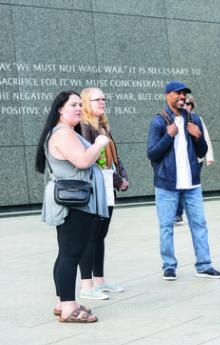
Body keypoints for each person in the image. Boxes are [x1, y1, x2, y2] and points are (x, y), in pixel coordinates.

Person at [36, 91, 110, 323]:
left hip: (74, 199)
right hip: (74, 202)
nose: (78, 108)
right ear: (60, 108)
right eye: (72, 105)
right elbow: (83, 161)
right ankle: (68, 308)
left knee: (67, 252)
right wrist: (99, 142)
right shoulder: (63, 134)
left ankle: (63, 302)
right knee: (71, 253)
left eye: (80, 104)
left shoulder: (64, 132)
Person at [147, 80, 220, 281]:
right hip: (167, 185)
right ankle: (169, 266)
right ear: (167, 96)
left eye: (184, 94)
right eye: (177, 93)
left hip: (192, 185)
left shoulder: (195, 120)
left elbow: (202, 152)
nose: (181, 97)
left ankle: (204, 265)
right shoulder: (159, 121)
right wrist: (168, 136)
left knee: (199, 224)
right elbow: (152, 154)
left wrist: (198, 137)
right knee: (166, 226)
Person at [76, 87, 129, 300]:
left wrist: (122, 178)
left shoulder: (102, 126)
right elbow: (94, 160)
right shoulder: (85, 127)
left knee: (100, 235)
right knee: (91, 236)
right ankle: (87, 286)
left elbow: (115, 159)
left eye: (104, 99)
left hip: (108, 186)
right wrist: (117, 179)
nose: (102, 102)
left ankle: (100, 280)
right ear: (86, 103)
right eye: (97, 99)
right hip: (96, 187)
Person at [174, 95, 214, 225]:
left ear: (191, 106)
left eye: (187, 103)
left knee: (192, 186)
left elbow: (205, 137)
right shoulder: (176, 119)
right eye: (183, 103)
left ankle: (193, 214)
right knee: (180, 185)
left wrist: (209, 157)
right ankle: (178, 213)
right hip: (182, 160)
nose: (184, 105)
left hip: (196, 159)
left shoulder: (197, 119)